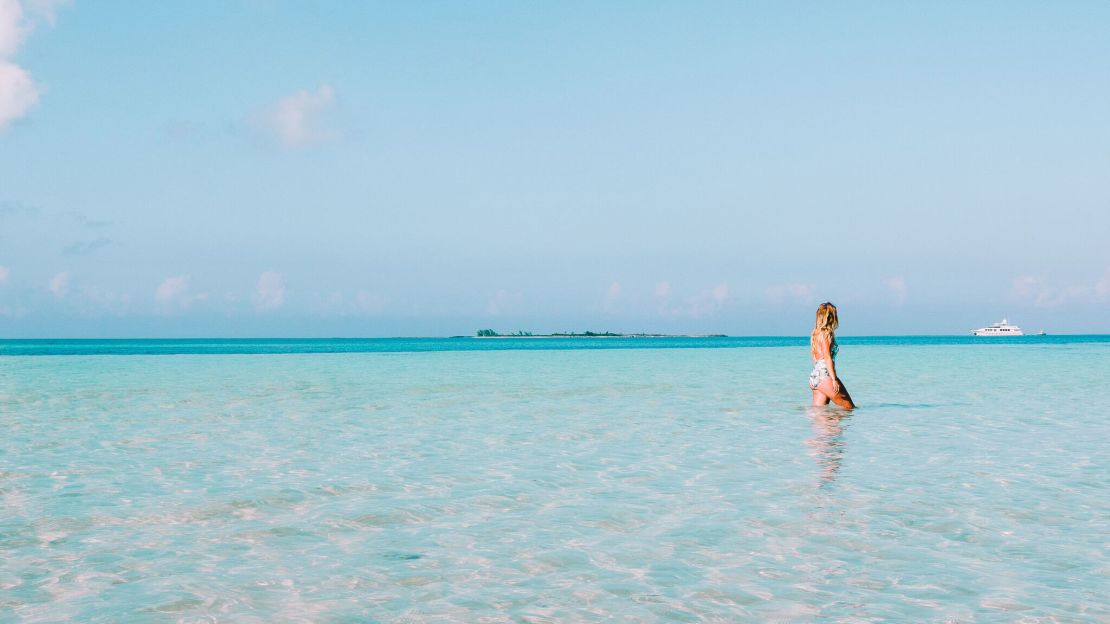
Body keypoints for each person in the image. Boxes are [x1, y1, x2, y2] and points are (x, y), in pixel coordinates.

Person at [809, 302, 856, 409]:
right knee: (849, 409)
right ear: (830, 317)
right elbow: (827, 357)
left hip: (815, 376)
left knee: (819, 415)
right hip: (825, 376)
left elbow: (815, 358)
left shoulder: (815, 334)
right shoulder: (826, 334)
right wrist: (834, 379)